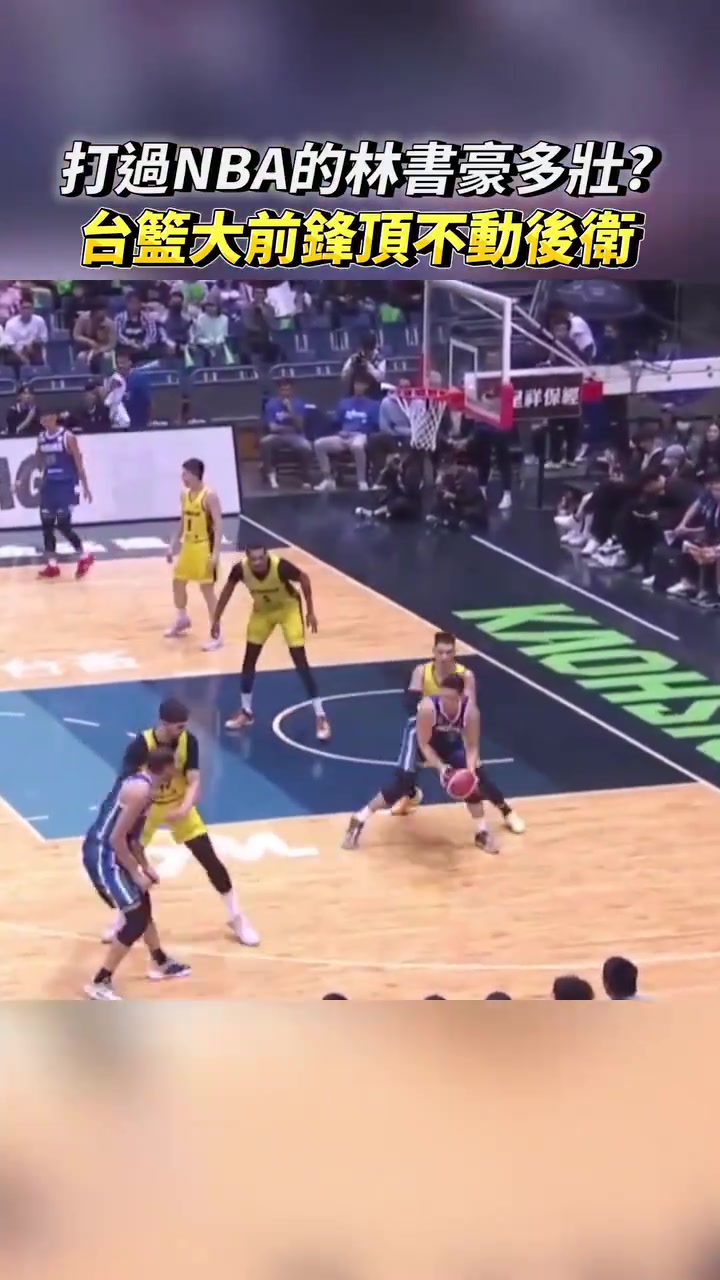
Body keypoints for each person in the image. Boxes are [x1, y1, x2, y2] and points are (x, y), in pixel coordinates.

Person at [104, 697, 258, 947]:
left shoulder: (189, 741)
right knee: (126, 864)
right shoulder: (142, 745)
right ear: (164, 723)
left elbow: (194, 781)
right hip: (148, 809)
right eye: (179, 726)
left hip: (178, 804)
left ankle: (237, 917)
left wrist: (185, 808)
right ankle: (122, 918)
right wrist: (138, 807)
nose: (183, 730)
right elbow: (125, 781)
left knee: (210, 859)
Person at [344, 632, 524, 833]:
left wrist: (469, 761)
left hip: (451, 732)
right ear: (433, 652)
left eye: (449, 652)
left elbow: (468, 710)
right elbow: (410, 704)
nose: (444, 657)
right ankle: (408, 798)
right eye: (440, 652)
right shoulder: (422, 672)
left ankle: (506, 811)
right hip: (425, 728)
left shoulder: (465, 676)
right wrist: (430, 714)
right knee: (404, 778)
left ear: (455, 653)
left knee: (477, 775)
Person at [343, 673, 516, 853]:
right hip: (419, 737)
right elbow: (424, 745)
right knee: (402, 782)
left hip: (449, 740)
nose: (445, 701)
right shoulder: (428, 708)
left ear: (460, 697)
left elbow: (472, 747)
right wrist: (441, 767)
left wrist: (470, 772)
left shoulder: (471, 712)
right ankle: (358, 820)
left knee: (472, 783)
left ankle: (482, 832)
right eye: (442, 696)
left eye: (450, 698)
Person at [81, 745, 191, 1000]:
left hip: (114, 851)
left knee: (143, 903)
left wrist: (146, 866)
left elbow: (132, 838)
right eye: (175, 764)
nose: (178, 768)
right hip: (103, 855)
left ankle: (160, 961)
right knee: (135, 918)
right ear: (166, 768)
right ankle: (100, 982)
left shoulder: (147, 788)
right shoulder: (140, 791)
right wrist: (135, 872)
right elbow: (116, 838)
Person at [211, 544, 331, 740]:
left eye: (261, 557)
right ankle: (246, 712)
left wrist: (310, 611)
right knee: (249, 660)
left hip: (288, 610)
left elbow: (304, 578)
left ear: (267, 555)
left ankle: (321, 716)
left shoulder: (280, 566)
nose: (258, 562)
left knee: (300, 661)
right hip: (263, 612)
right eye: (253, 559)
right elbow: (227, 591)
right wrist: (216, 618)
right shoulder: (240, 569)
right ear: (247, 558)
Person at [165, 458, 223, 649]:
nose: (182, 477)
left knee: (207, 591)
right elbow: (183, 521)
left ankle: (217, 634)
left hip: (204, 546)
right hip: (188, 546)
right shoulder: (185, 495)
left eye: (185, 474)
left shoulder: (209, 496)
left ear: (195, 474)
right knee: (178, 582)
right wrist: (173, 545)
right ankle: (182, 619)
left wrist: (215, 554)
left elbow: (219, 526)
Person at [35, 412, 94, 580]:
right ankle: (52, 565)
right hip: (49, 486)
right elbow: (38, 459)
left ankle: (84, 555)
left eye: (47, 417)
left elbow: (79, 463)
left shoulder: (67, 437)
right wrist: (39, 469)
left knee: (62, 524)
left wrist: (85, 487)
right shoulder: (41, 438)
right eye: (42, 418)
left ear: (54, 417)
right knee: (46, 525)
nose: (44, 420)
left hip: (66, 485)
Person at [314, 373, 381, 491]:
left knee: (357, 446)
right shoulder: (344, 403)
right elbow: (336, 422)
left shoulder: (374, 405)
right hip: (343, 435)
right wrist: (340, 432)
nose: (358, 387)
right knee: (319, 444)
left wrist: (358, 433)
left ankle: (361, 481)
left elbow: (374, 426)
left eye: (361, 385)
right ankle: (328, 479)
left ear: (366, 387)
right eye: (356, 384)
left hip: (360, 435)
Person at [259, 378, 314, 489]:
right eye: (283, 390)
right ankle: (271, 474)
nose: (285, 393)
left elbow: (299, 427)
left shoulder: (299, 403)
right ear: (279, 391)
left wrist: (291, 410)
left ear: (292, 390)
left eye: (288, 390)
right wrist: (289, 429)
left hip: (295, 436)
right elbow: (272, 428)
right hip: (277, 436)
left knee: (306, 447)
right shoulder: (271, 404)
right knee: (265, 442)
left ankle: (305, 477)